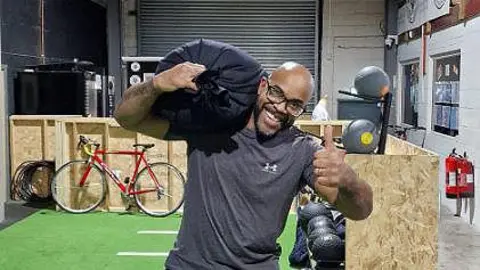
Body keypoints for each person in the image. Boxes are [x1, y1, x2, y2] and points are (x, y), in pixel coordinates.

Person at [114, 60, 373, 270]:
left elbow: (362, 210)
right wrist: (157, 84)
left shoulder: (303, 149)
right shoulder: (210, 124)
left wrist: (347, 179)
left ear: (301, 110)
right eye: (276, 93)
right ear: (262, 86)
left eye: (293, 105)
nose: (280, 107)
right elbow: (126, 118)